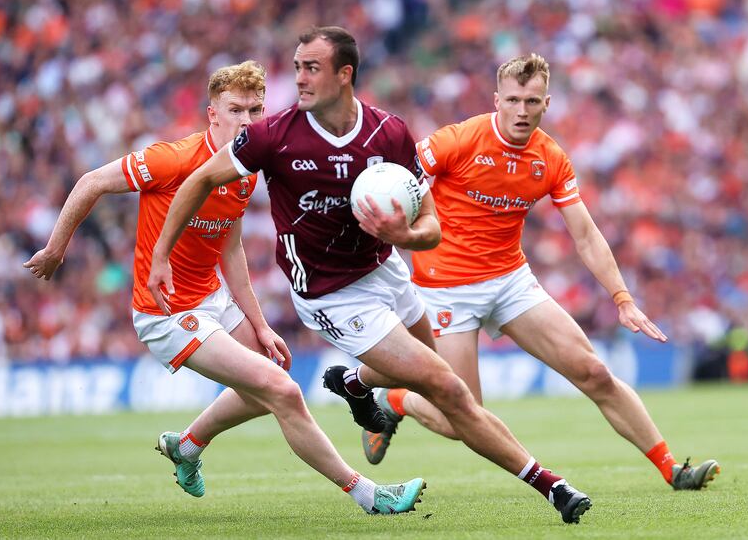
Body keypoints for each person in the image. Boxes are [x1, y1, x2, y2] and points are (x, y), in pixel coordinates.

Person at [149, 26, 592, 525]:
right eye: (296, 68)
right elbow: (201, 178)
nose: (299, 79)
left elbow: (431, 228)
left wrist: (404, 234)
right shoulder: (273, 135)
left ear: (345, 74)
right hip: (331, 294)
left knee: (446, 396)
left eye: (311, 68)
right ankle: (552, 487)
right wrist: (162, 254)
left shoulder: (389, 133)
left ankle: (355, 384)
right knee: (447, 386)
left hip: (386, 270)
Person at [23, 60, 425, 515]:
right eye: (236, 110)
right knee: (283, 391)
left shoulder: (243, 170)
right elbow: (92, 181)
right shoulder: (172, 159)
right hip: (167, 313)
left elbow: (230, 251)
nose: (247, 121)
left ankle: (187, 446)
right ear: (212, 113)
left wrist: (260, 324)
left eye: (255, 111)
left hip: (212, 299)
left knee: (271, 380)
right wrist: (55, 249)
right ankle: (368, 495)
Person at [360, 53, 721, 492]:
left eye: (532, 101)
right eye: (513, 100)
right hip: (445, 289)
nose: (522, 110)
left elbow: (585, 234)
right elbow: (395, 180)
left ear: (546, 104)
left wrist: (622, 298)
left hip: (510, 280)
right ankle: (397, 400)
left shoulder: (550, 157)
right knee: (462, 419)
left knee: (594, 372)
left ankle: (673, 470)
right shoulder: (457, 140)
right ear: (497, 100)